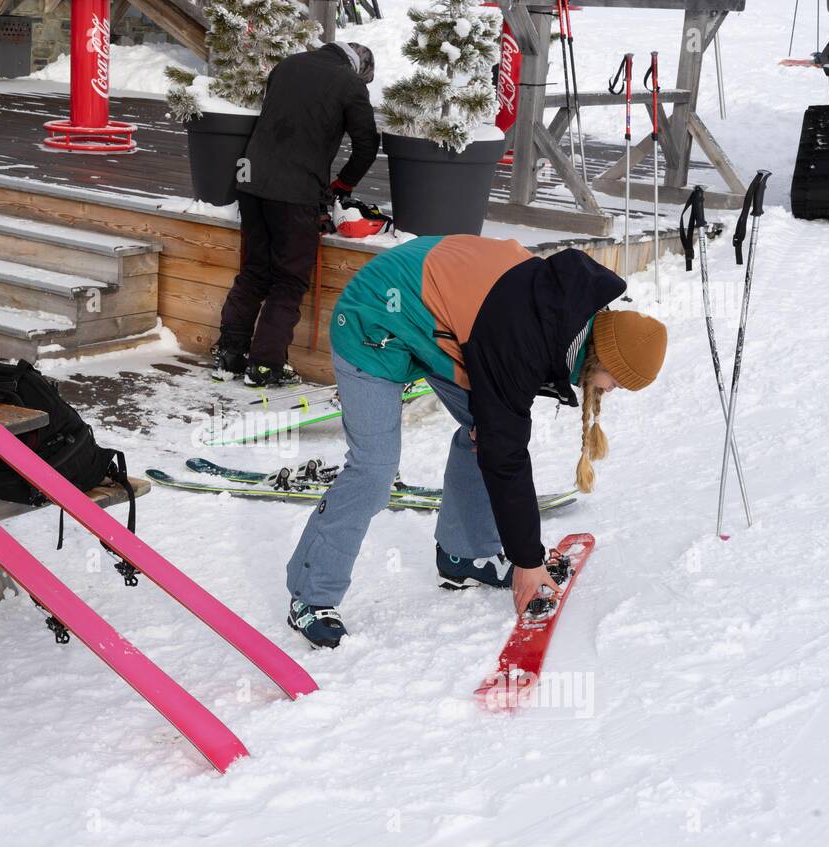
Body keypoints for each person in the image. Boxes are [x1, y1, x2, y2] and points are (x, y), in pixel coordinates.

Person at [283, 235, 667, 648]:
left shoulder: (566, 316)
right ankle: (311, 594)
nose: (611, 391)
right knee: (375, 468)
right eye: (616, 382)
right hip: (375, 315)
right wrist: (528, 561)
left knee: (486, 429)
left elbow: (502, 433)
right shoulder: (523, 337)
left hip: (438, 322)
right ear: (601, 357)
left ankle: (463, 555)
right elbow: (507, 456)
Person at [213, 41, 380, 387]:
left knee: (254, 271)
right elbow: (367, 145)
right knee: (289, 280)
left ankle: (230, 354)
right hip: (295, 191)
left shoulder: (288, 65)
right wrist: (343, 186)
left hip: (249, 180)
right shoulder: (349, 84)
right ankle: (265, 366)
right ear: (359, 70)